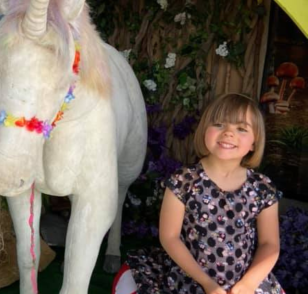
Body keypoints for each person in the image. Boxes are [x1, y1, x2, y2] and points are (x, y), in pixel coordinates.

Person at [113, 93, 284, 294]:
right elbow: (170, 237)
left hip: (245, 281)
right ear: (204, 130)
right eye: (219, 124)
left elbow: (269, 244)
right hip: (189, 277)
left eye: (241, 128)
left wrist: (248, 284)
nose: (229, 133)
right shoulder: (183, 181)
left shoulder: (262, 188)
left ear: (254, 142)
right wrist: (208, 284)